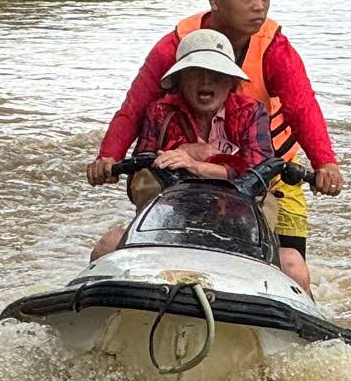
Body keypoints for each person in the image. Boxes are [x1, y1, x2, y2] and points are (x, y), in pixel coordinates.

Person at [89, 0, 342, 291]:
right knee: (131, 233)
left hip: (269, 169)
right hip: (177, 181)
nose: (260, 6)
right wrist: (109, 156)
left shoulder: (274, 48)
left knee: (293, 264)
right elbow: (134, 107)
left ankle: (303, 316)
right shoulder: (174, 48)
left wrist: (324, 162)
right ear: (216, 0)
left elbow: (302, 107)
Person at [89, 29, 279, 263]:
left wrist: (198, 165)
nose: (206, 81)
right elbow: (138, 179)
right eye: (196, 73)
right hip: (166, 224)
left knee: (294, 266)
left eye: (217, 74)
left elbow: (259, 175)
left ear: (231, 82)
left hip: (239, 228)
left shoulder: (252, 112)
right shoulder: (159, 112)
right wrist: (185, 150)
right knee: (106, 247)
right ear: (179, 80)